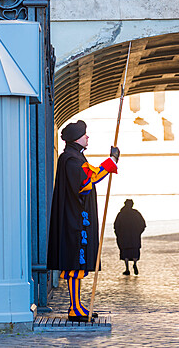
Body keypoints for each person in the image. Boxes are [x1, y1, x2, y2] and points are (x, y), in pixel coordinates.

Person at [47, 120, 120, 322]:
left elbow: (90, 175)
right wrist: (111, 160)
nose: (87, 137)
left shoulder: (74, 157)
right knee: (74, 265)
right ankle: (74, 308)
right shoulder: (71, 159)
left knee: (78, 265)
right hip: (75, 221)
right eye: (84, 134)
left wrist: (110, 161)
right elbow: (89, 179)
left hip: (78, 219)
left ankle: (78, 306)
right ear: (76, 138)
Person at [114, 199, 146, 276]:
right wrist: (138, 232)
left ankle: (127, 269)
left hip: (124, 236)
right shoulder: (136, 213)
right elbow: (143, 224)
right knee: (134, 251)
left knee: (125, 252)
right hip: (134, 236)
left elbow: (116, 225)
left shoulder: (121, 214)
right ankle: (135, 264)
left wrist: (118, 234)